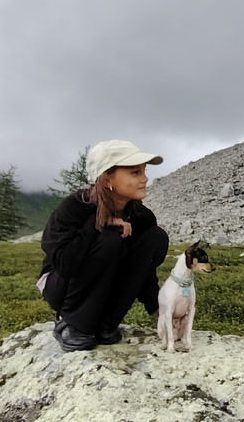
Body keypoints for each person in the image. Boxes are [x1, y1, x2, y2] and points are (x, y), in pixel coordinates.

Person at [37, 139, 170, 351]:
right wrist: (99, 223)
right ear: (107, 178)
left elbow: (144, 267)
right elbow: (64, 264)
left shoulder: (141, 216)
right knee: (109, 240)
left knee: (156, 237)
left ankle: (105, 324)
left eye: (144, 171)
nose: (145, 179)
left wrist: (157, 306)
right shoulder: (75, 207)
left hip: (102, 285)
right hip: (61, 287)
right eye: (135, 173)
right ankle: (70, 322)